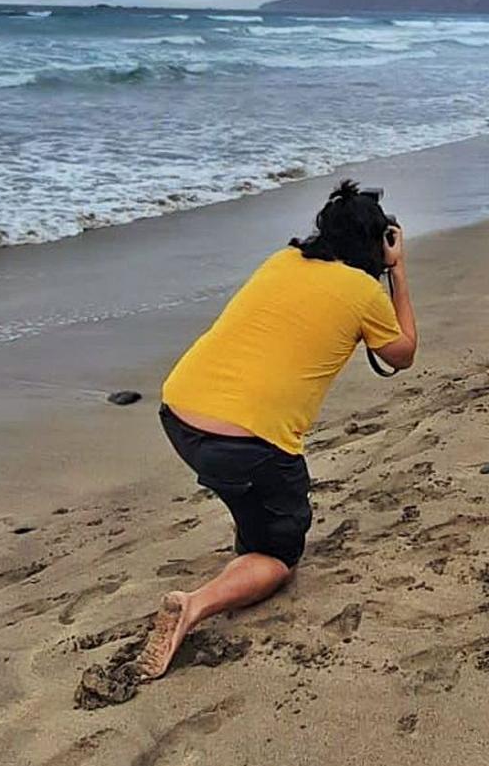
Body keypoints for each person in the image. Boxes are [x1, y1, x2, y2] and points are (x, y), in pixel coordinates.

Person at [138, 181, 417, 680]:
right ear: (378, 242)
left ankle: (249, 535)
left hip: (179, 413)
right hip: (247, 446)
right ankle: (197, 604)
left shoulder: (281, 261)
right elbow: (403, 353)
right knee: (279, 555)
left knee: (254, 503)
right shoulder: (362, 292)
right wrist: (396, 271)